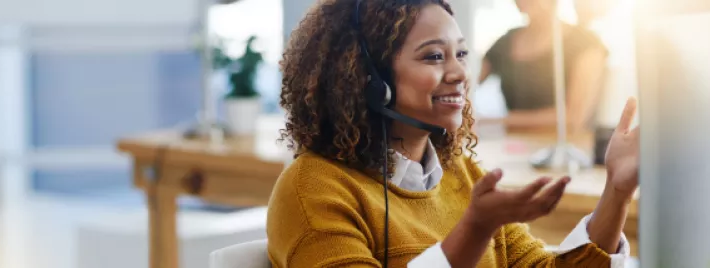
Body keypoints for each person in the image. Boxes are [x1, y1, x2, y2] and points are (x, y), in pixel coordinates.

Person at [267, 0, 639, 267]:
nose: (460, 73)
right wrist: (475, 229)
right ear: (368, 79)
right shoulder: (312, 189)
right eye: (433, 56)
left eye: (461, 54)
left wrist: (617, 192)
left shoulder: (460, 174)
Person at [478, 0, 608, 132]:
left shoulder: (585, 43)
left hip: (565, 146)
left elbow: (573, 118)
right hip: (513, 145)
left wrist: (496, 120)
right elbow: (465, 79)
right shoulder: (505, 42)